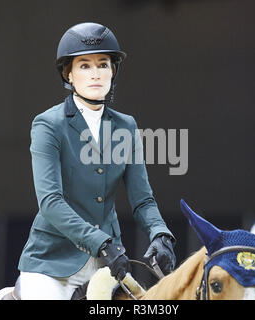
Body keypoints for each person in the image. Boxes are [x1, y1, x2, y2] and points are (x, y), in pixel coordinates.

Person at [16, 22, 176, 300]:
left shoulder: (126, 126)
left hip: (107, 266)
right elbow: (51, 201)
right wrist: (101, 243)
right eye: (85, 66)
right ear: (69, 73)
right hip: (52, 264)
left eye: (103, 65)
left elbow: (142, 200)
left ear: (113, 71)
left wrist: (160, 233)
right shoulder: (48, 125)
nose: (96, 74)